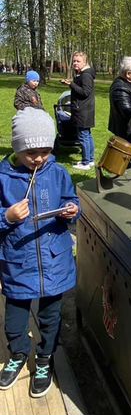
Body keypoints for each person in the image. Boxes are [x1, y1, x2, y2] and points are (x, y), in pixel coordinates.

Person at [0, 108, 79, 397]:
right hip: (18, 262)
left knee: (50, 315)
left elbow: (71, 200)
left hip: (53, 261)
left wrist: (72, 211)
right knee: (15, 318)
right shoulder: (3, 176)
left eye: (45, 150)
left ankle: (45, 358)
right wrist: (6, 216)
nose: (38, 158)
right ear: (18, 147)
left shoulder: (57, 173)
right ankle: (18, 353)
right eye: (31, 152)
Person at [61, 51, 96, 170]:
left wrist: (71, 84)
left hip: (83, 110)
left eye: (78, 61)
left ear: (84, 62)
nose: (75, 63)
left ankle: (86, 162)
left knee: (83, 136)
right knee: (87, 135)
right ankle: (90, 160)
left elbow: (85, 92)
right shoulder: (82, 74)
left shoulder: (86, 75)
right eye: (74, 61)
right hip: (85, 109)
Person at [108, 56, 131, 147]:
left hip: (130, 132)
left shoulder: (126, 84)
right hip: (126, 134)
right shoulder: (120, 88)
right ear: (128, 74)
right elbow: (128, 111)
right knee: (128, 159)